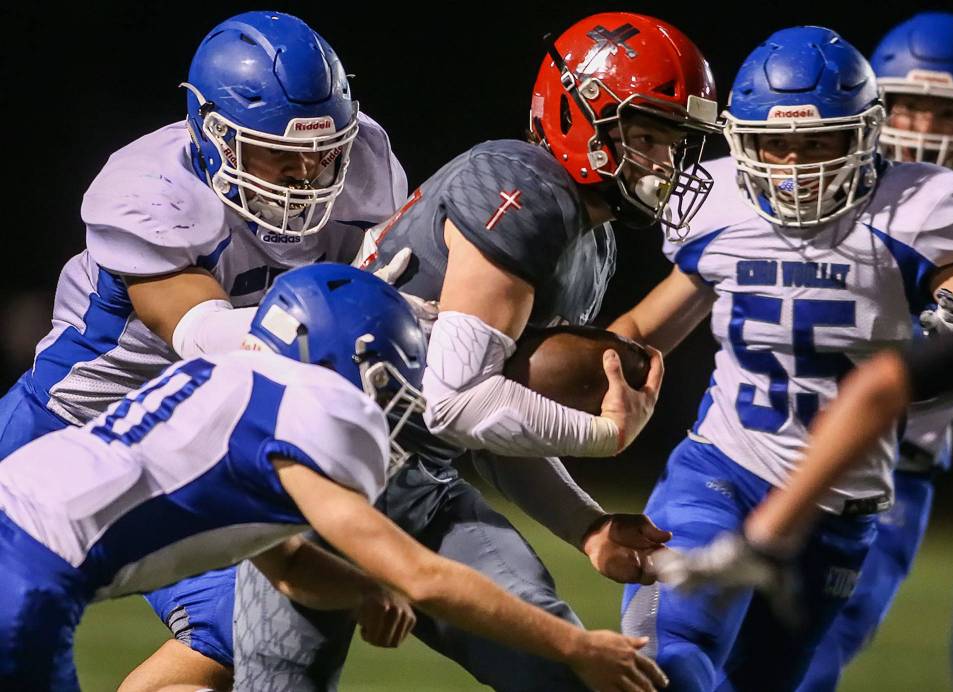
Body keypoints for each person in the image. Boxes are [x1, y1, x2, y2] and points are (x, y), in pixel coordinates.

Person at [228, 11, 720, 692]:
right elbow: (456, 402)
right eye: (645, 138)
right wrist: (604, 434)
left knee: (566, 672)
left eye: (673, 145)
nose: (663, 165)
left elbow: (488, 422)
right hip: (315, 484)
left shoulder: (593, 241)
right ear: (583, 118)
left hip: (421, 489)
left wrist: (587, 525)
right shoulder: (523, 190)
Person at [0, 263, 669, 692]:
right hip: (31, 578)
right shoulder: (316, 409)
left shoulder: (223, 377)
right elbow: (426, 576)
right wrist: (578, 645)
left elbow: (280, 559)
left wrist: (359, 589)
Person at [0, 9, 410, 686]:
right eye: (281, 154)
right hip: (70, 418)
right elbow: (203, 335)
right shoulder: (148, 187)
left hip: (189, 442)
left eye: (323, 153)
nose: (307, 178)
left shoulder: (365, 161)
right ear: (213, 134)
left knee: (231, 635)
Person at [611, 26, 953, 691]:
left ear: (865, 135)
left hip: (839, 509)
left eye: (818, 141)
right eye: (774, 144)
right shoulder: (722, 203)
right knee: (667, 653)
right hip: (723, 468)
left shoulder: (918, 207)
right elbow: (642, 328)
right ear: (742, 140)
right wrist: (577, 375)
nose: (795, 165)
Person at [797, 12, 953, 691]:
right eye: (907, 107)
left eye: (946, 112)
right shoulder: (827, 169)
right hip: (765, 439)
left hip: (895, 466)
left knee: (806, 663)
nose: (923, 130)